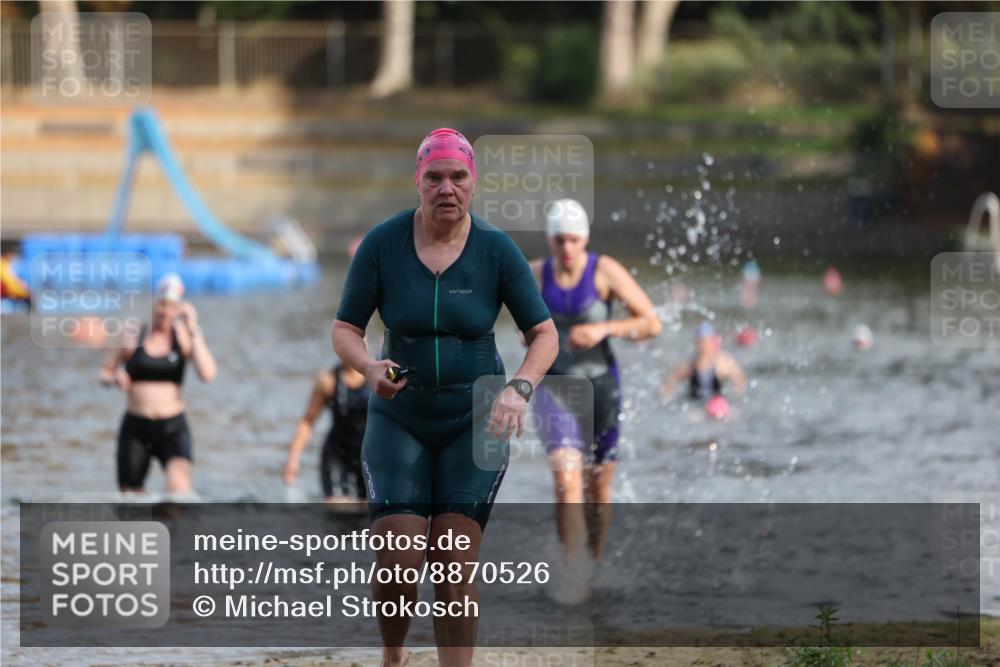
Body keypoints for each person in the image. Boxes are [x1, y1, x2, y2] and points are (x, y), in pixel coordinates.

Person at [331, 128, 558, 667]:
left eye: (458, 177)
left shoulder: (497, 251)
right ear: (418, 181)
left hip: (476, 419)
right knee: (398, 558)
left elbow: (544, 334)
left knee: (453, 560)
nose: (446, 188)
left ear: (472, 183)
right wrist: (366, 365)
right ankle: (394, 654)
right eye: (434, 177)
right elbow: (344, 328)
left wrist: (518, 389)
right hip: (399, 416)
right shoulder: (383, 246)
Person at [528, 198, 662, 573]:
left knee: (597, 490)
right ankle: (574, 577)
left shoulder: (605, 271)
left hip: (602, 386)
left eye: (573, 240)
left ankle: (596, 560)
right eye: (559, 241)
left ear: (584, 240)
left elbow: (651, 323)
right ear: (550, 241)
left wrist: (605, 328)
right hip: (554, 388)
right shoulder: (534, 274)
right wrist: (533, 334)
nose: (567, 249)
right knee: (566, 483)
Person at [99, 274, 217, 493]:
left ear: (180, 309)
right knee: (130, 501)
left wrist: (194, 328)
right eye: (162, 305)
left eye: (172, 307)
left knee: (178, 493)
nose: (165, 312)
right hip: (136, 426)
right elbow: (104, 372)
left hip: (172, 426)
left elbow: (208, 374)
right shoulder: (133, 334)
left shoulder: (184, 337)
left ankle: (173, 525)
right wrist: (114, 377)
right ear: (154, 304)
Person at [282, 363, 370, 502]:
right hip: (337, 455)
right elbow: (308, 421)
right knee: (337, 510)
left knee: (370, 512)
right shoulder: (327, 381)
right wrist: (293, 458)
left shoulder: (377, 376)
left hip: (370, 456)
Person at [660, 321, 746, 404]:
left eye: (705, 342)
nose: (703, 346)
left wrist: (737, 394)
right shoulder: (690, 366)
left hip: (717, 404)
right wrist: (667, 397)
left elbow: (740, 380)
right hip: (694, 404)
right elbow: (671, 381)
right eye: (700, 342)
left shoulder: (723, 364)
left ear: (713, 342)